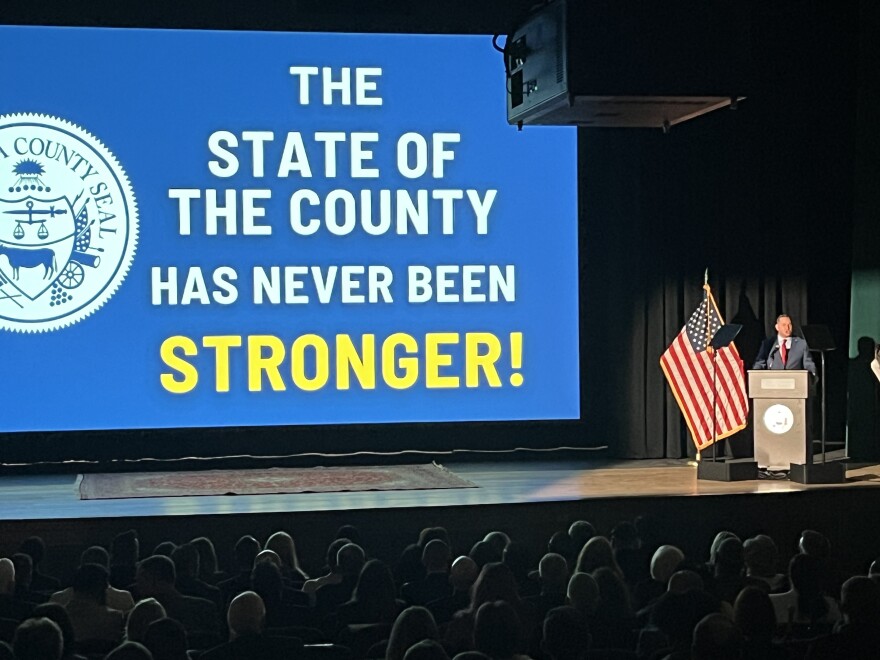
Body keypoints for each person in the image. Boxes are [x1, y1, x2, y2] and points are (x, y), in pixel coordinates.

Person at [753, 314, 817, 376]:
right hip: (774, 382)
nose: (787, 327)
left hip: (795, 382)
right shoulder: (768, 344)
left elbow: (808, 363)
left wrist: (811, 374)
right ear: (777, 327)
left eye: (789, 324)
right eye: (784, 325)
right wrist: (755, 375)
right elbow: (760, 363)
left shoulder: (801, 344)